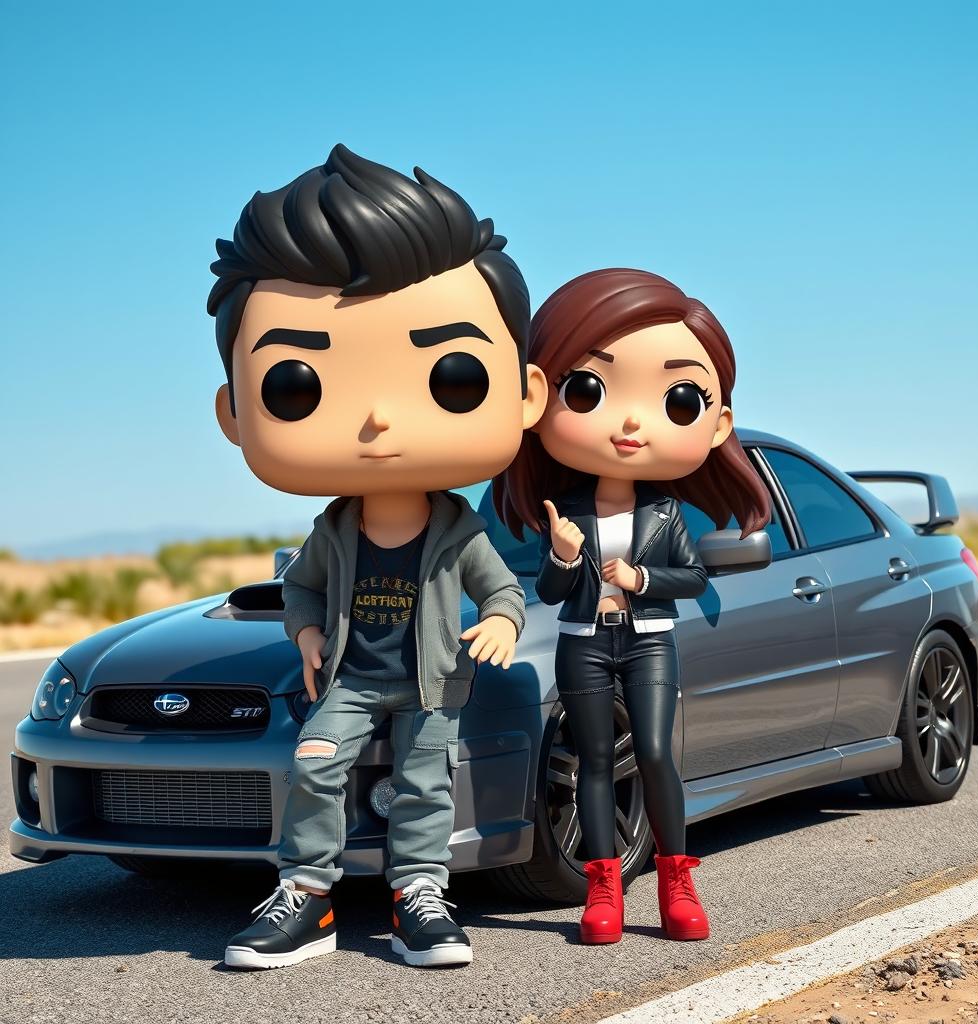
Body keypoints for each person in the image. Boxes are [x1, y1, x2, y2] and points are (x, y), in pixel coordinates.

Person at [208, 144, 548, 969]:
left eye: (452, 376)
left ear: (523, 392)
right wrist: (307, 635)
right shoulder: (333, 530)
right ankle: (308, 897)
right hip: (354, 678)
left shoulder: (460, 530)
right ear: (234, 411)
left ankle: (419, 897)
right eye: (299, 385)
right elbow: (300, 590)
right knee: (317, 764)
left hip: (432, 683)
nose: (378, 423)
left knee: (426, 786)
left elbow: (503, 592)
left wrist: (501, 624)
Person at [494, 268, 771, 944]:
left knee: (651, 750)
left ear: (715, 422)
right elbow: (553, 593)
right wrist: (561, 554)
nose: (626, 423)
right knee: (594, 758)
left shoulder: (667, 512)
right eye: (588, 389)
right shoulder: (569, 512)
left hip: (647, 639)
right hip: (583, 639)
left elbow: (693, 577)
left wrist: (642, 577)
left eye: (676, 399)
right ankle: (603, 891)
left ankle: (678, 884)